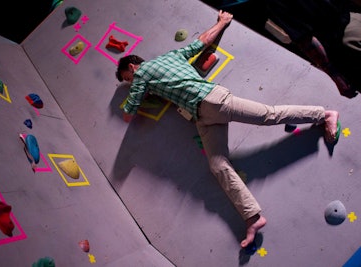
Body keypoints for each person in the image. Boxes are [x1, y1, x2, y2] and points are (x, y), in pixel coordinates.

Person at [115, 10, 340, 248]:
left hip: (211, 102)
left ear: (132, 67)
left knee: (268, 115)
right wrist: (221, 22)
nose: (131, 82)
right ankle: (253, 217)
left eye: (128, 78)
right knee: (217, 164)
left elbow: (129, 114)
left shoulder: (142, 75)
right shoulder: (169, 57)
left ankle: (324, 114)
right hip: (203, 115)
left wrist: (138, 91)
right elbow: (200, 42)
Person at [265, 0, 361, 98]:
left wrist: (336, 76)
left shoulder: (274, 3)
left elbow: (306, 40)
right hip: (354, 20)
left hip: (343, 42)